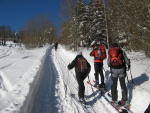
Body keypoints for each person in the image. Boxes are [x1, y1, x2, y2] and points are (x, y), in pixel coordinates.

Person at [107, 43, 130, 108]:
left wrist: (111, 65)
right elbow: (126, 60)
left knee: (114, 85)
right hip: (122, 70)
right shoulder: (121, 51)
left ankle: (114, 100)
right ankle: (125, 100)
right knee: (123, 85)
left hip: (114, 71)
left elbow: (108, 62)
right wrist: (128, 64)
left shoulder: (110, 51)